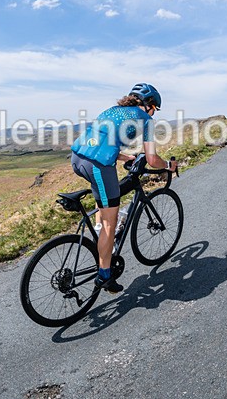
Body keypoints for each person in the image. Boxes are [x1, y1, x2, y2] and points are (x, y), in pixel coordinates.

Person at [70, 83, 176, 293]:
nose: (154, 112)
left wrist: (126, 156)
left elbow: (99, 141)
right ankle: (104, 276)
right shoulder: (146, 120)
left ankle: (101, 240)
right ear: (149, 104)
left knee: (106, 203)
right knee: (112, 222)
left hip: (77, 159)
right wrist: (168, 166)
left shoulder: (111, 111)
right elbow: (153, 159)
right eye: (155, 108)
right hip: (98, 166)